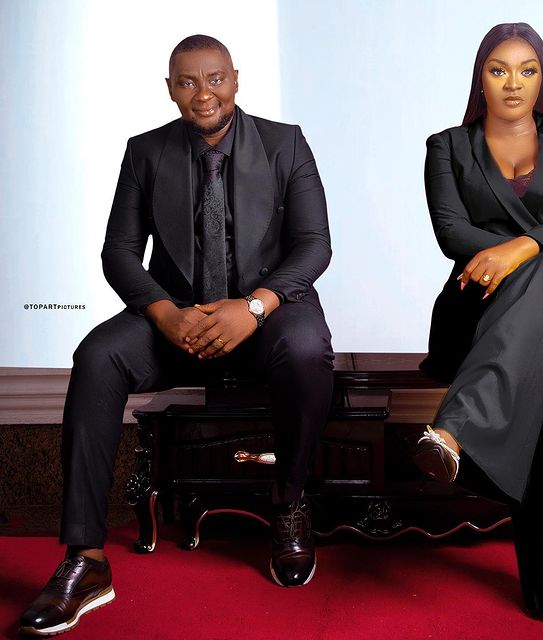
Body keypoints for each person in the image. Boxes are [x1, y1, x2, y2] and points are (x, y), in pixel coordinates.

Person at [19, 34, 334, 636]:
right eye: (187, 82)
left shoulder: (285, 143)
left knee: (306, 346)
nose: (203, 94)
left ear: (235, 80)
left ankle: (289, 502)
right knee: (97, 355)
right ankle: (86, 558)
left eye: (215, 79)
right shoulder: (145, 151)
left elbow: (315, 245)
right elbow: (118, 252)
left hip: (266, 314)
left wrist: (254, 307)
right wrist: (165, 313)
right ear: (170, 89)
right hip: (177, 321)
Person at [413, 23, 543, 632]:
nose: (513, 83)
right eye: (499, 69)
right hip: (477, 313)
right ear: (480, 79)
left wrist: (525, 249)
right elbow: (452, 233)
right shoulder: (446, 146)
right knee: (533, 352)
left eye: (527, 70)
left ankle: (458, 429)